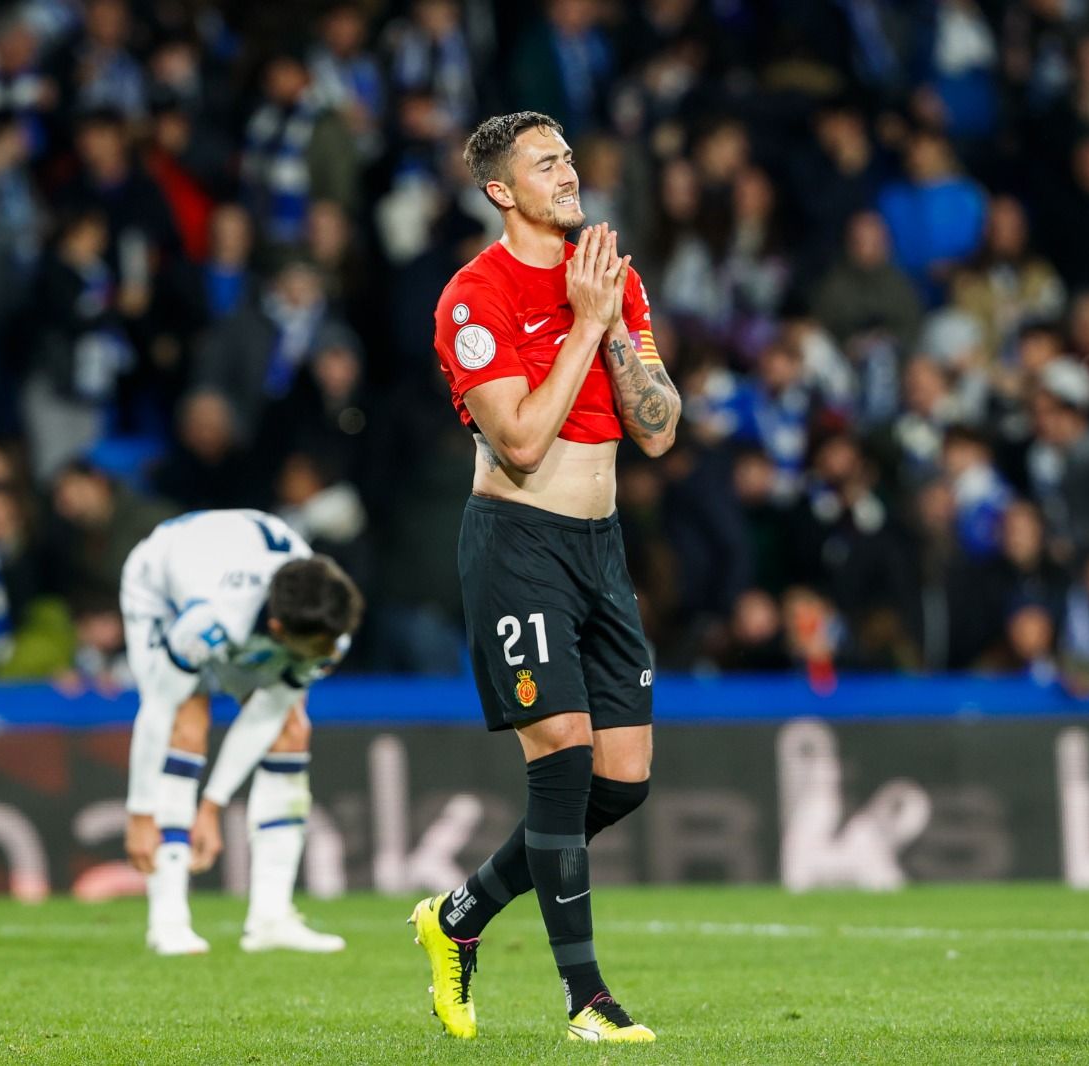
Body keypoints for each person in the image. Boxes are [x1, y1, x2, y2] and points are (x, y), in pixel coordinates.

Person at [411, 111, 681, 1044]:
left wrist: (605, 317)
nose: (567, 172)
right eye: (544, 162)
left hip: (600, 548)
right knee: (561, 753)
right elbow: (520, 441)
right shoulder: (471, 298)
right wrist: (586, 322)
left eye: (568, 155)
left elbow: (658, 425)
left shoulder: (612, 275)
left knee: (626, 778)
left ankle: (457, 917)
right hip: (518, 541)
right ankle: (586, 1000)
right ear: (500, 190)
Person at [119, 508, 363, 957]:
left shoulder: (327, 620)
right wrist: (139, 814)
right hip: (161, 586)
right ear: (277, 629)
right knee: (184, 721)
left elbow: (266, 716)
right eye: (320, 647)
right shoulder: (211, 621)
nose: (331, 654)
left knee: (291, 729)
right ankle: (168, 918)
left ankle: (271, 917)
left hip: (229, 570)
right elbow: (156, 711)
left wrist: (211, 805)